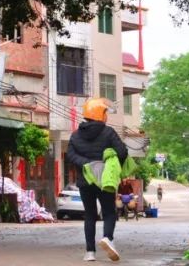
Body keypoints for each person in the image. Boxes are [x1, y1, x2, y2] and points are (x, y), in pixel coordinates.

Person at [64, 97, 128, 263]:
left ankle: (90, 252)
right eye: (105, 112)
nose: (107, 115)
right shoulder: (108, 132)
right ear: (100, 114)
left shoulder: (75, 136)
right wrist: (110, 162)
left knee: (90, 215)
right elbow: (122, 152)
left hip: (85, 180)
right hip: (104, 180)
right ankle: (108, 238)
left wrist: (86, 164)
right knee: (108, 212)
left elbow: (70, 156)